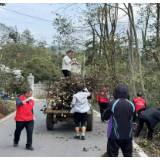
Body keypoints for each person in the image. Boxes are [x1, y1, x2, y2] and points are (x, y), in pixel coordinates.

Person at [104, 84, 135, 157]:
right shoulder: (132, 105)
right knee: (128, 155)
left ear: (115, 93)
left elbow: (105, 116)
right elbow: (133, 119)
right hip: (128, 136)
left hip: (114, 136)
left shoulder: (112, 103)